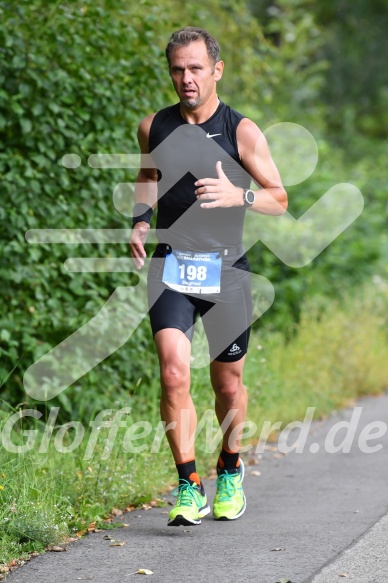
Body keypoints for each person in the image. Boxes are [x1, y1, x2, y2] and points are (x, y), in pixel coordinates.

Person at [130, 26, 287, 527]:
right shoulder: (153, 126)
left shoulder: (241, 130)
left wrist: (237, 196)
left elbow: (279, 199)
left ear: (216, 70)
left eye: (196, 68)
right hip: (172, 265)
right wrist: (139, 219)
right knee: (174, 372)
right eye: (178, 69)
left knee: (226, 384)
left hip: (227, 271)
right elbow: (149, 176)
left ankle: (231, 468)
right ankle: (187, 484)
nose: (186, 78)